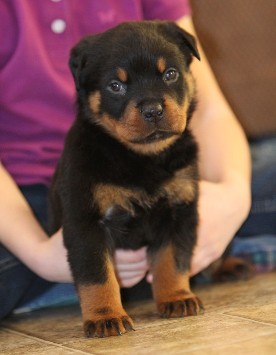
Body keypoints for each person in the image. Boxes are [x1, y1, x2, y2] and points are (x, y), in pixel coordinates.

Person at [0, 0, 251, 319]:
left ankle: (218, 251)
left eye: (169, 74)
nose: (152, 107)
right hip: (19, 199)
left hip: (172, 164)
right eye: (117, 86)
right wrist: (38, 253)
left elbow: (212, 114)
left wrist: (234, 195)